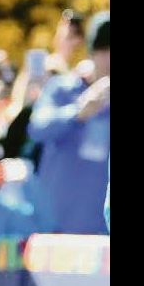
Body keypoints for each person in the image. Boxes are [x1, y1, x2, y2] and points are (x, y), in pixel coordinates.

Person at [28, 12, 110, 234]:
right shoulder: (62, 88)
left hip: (102, 231)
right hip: (55, 227)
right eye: (105, 51)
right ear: (93, 52)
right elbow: (37, 128)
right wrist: (78, 113)